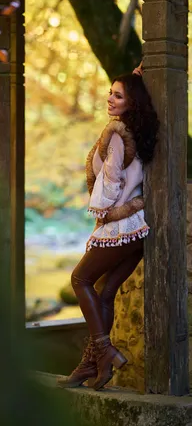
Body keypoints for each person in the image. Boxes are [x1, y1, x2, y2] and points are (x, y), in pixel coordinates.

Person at [60, 61, 159, 391]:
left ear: (131, 103)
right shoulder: (140, 131)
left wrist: (101, 214)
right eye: (109, 93)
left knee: (80, 278)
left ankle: (104, 351)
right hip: (138, 229)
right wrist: (136, 75)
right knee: (105, 294)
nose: (110, 98)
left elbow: (112, 181)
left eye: (118, 95)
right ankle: (93, 366)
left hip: (120, 224)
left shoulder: (116, 134)